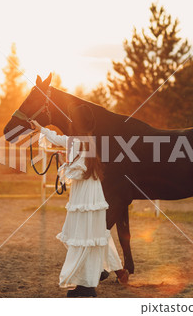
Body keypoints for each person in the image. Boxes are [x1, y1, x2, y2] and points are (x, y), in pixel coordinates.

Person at [29, 105, 127, 298]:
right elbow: (60, 140)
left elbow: (80, 170)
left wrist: (64, 165)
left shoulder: (78, 141)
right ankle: (96, 273)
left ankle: (87, 285)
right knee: (91, 233)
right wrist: (40, 128)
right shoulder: (88, 139)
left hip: (84, 193)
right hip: (92, 191)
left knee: (82, 234)